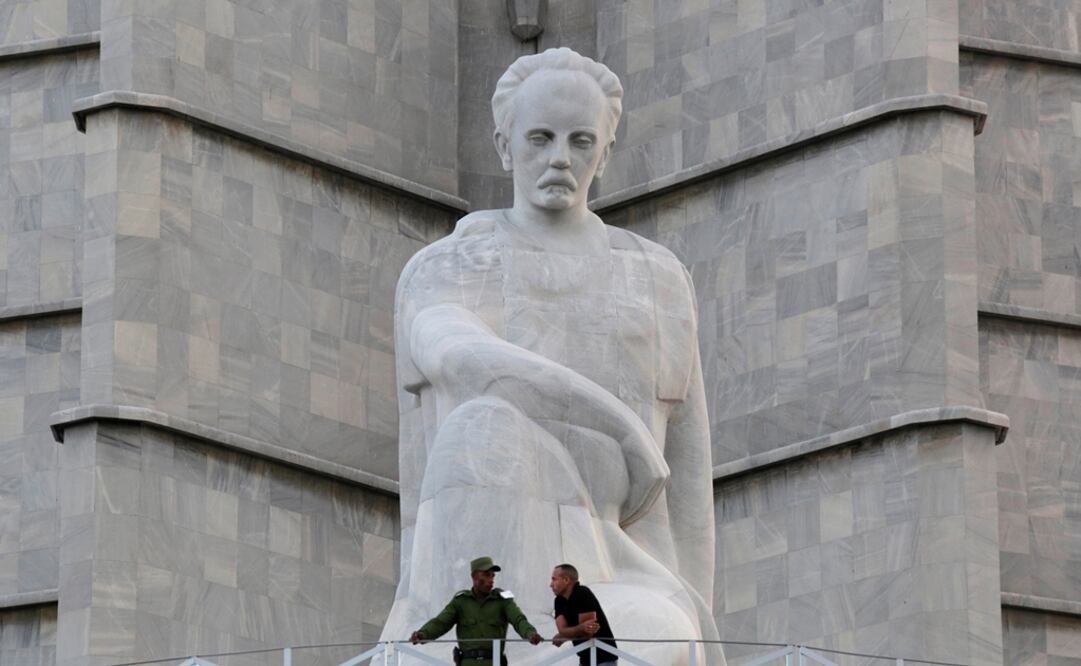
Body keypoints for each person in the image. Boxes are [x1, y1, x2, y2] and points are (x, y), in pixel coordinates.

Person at [382, 47, 722, 665]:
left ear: (605, 152)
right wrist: (614, 426)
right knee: (482, 424)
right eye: (540, 137)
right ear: (506, 145)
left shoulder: (657, 279)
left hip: (615, 574)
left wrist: (697, 620)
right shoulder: (448, 266)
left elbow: (687, 487)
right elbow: (453, 351)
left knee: (660, 632)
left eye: (581, 140)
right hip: (478, 574)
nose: (560, 157)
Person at [409, 556, 543, 665]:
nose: (491, 580)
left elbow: (518, 619)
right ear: (473, 576)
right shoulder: (461, 601)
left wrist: (530, 633)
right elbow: (440, 623)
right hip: (468, 663)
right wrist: (422, 634)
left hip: (494, 662)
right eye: (486, 575)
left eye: (492, 576)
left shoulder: (503, 599)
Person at [550, 564, 617, 664]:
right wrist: (578, 629)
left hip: (604, 658)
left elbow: (587, 633)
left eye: (554, 579)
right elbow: (563, 629)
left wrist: (564, 635)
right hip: (585, 660)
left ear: (566, 580)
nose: (551, 584)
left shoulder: (582, 593)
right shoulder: (558, 600)